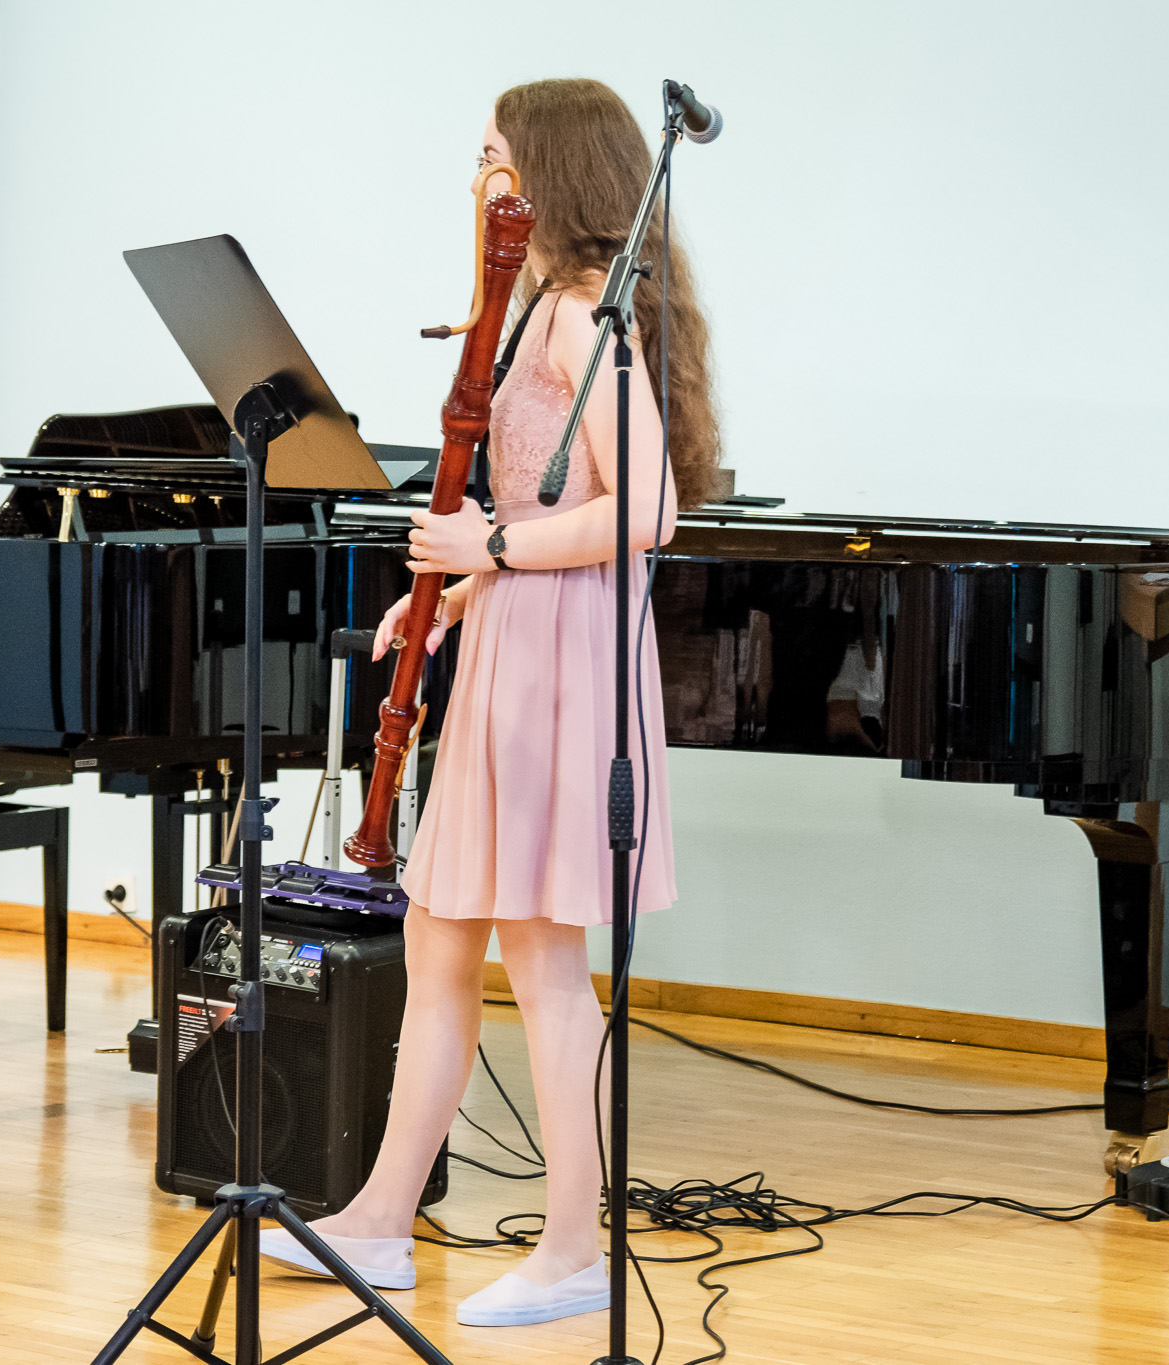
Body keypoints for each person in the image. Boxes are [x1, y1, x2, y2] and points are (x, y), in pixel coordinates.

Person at [260, 77, 722, 1326]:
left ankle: (573, 1250)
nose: (477, 178)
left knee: (543, 958)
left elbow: (646, 510)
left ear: (551, 173)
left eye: (492, 156)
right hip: (516, 636)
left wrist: (489, 553)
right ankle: (377, 1219)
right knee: (439, 938)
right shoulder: (532, 314)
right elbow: (535, 502)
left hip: (565, 659)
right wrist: (455, 597)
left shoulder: (580, 318)